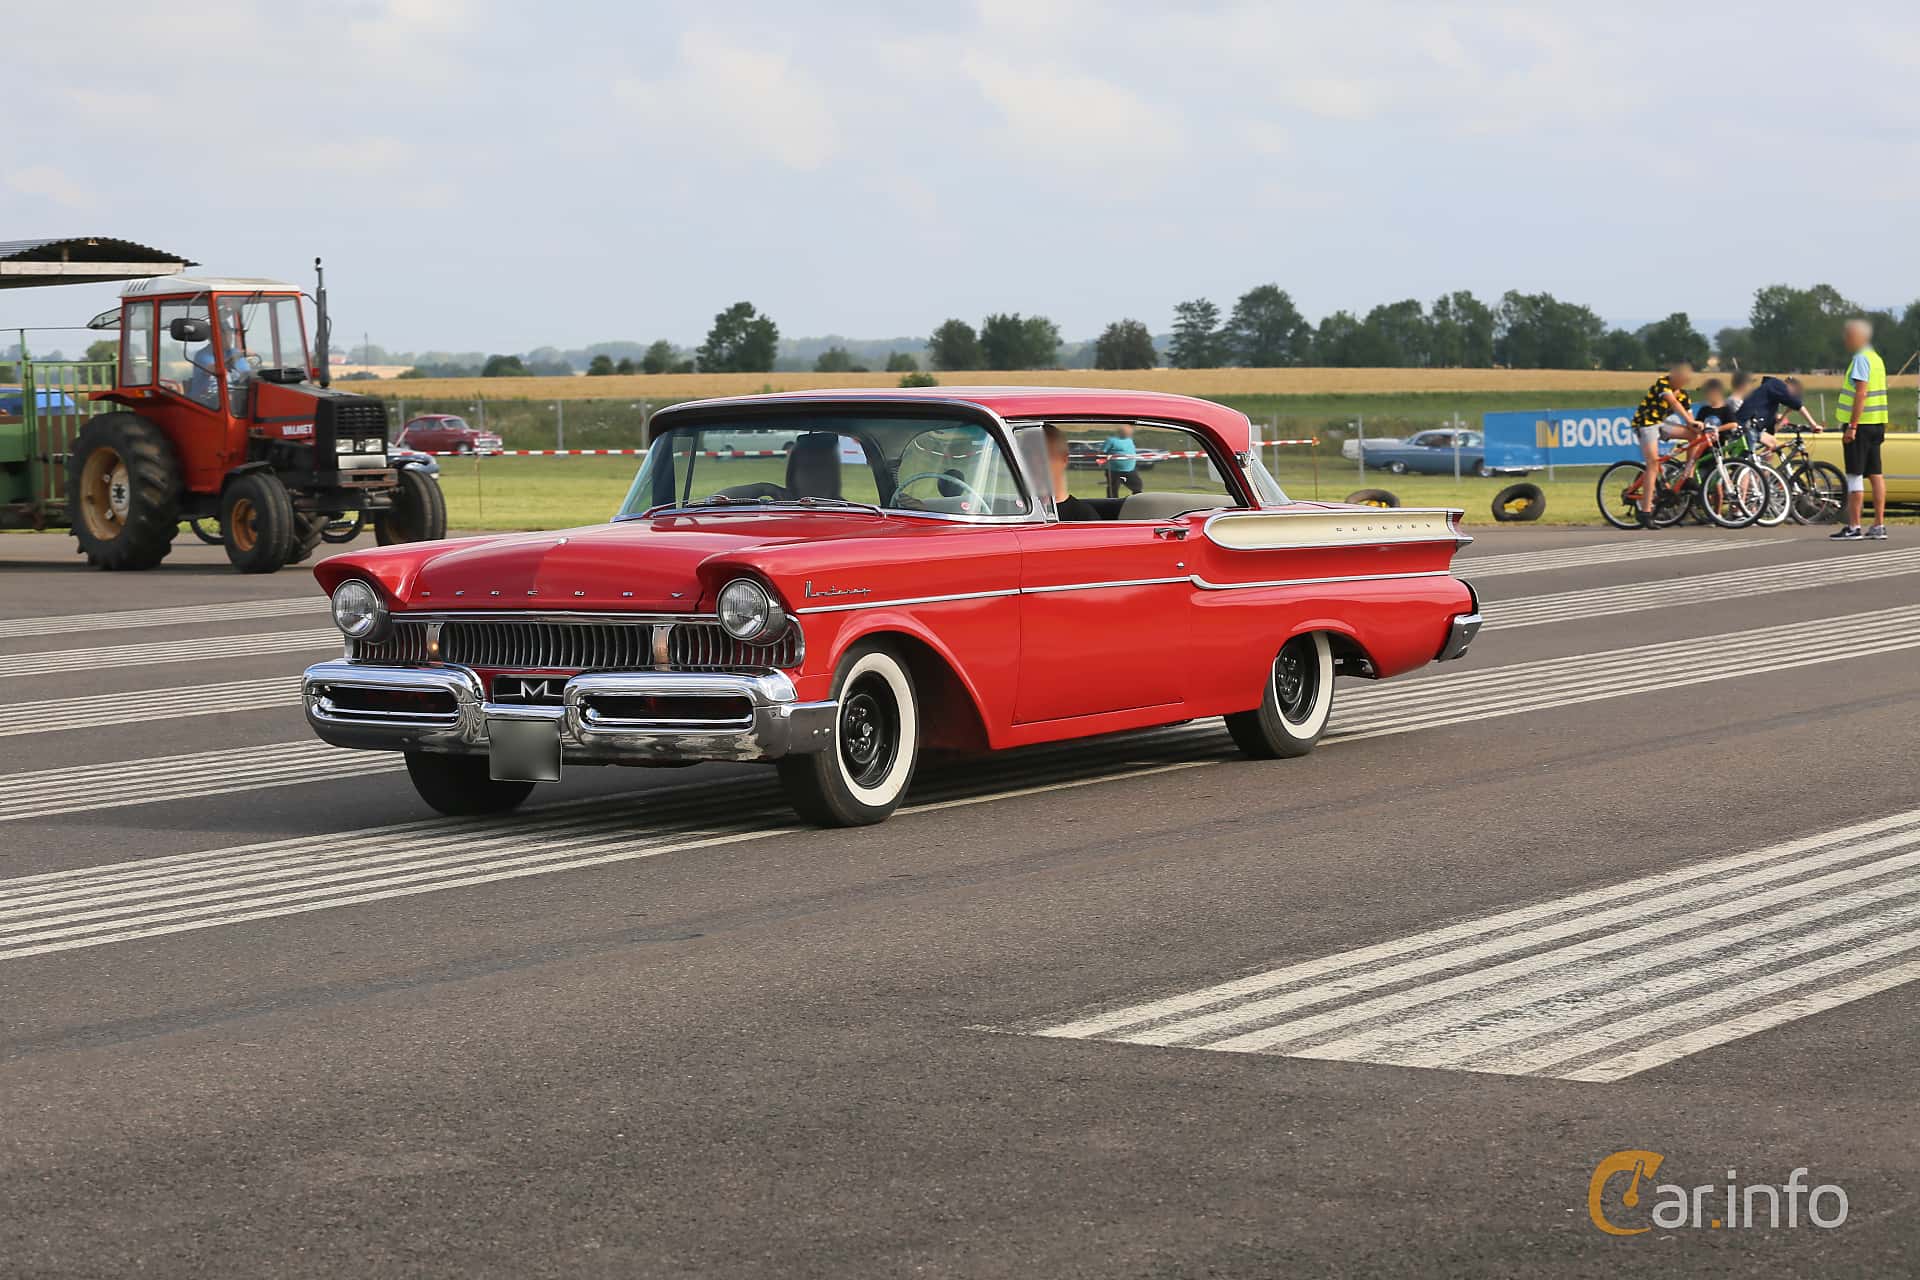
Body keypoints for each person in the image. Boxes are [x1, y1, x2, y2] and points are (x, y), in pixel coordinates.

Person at [1627, 360, 1708, 528]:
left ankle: (1688, 476)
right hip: (1646, 423)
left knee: (1695, 435)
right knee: (1652, 463)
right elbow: (1674, 403)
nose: (1683, 382)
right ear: (1674, 375)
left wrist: (1696, 425)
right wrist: (1689, 421)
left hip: (1661, 424)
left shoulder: (1684, 395)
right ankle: (1646, 512)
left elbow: (1689, 417)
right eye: (1682, 378)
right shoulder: (1662, 383)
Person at [1832, 318, 1889, 541]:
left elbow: (1861, 393)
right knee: (1876, 474)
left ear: (1858, 337)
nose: (1845, 340)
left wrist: (1852, 426)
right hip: (1877, 423)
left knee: (1854, 474)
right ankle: (1878, 525)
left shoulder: (1860, 359)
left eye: (1848, 336)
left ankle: (1854, 526)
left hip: (1860, 425)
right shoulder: (1877, 358)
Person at [1733, 375, 1823, 461]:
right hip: (1747, 425)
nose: (1792, 395)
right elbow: (1798, 405)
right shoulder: (1777, 384)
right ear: (1790, 386)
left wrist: (1786, 413)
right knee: (1747, 463)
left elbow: (1772, 431)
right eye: (1794, 392)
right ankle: (1754, 469)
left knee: (1772, 443)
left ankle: (1763, 470)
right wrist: (1813, 425)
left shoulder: (1770, 400)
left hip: (1751, 426)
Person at [1043, 425, 1099, 521]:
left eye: (1044, 456)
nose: (1033, 463)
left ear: (1064, 460)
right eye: (1026, 456)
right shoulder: (1017, 511)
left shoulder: (1084, 516)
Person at [1100, 422, 1143, 499]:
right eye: (1127, 431)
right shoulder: (1111, 440)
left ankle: (1136, 500)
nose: (1130, 432)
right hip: (1114, 470)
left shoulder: (1130, 440)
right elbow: (1102, 452)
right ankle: (1111, 504)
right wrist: (1103, 460)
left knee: (1137, 486)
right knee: (1113, 489)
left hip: (1130, 469)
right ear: (1121, 432)